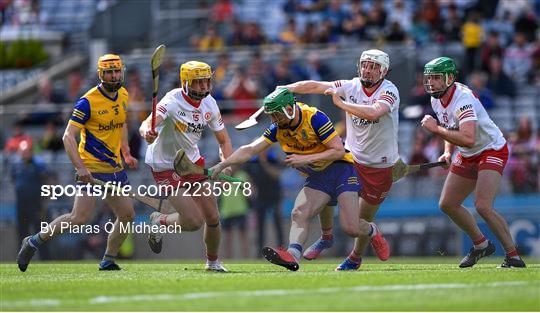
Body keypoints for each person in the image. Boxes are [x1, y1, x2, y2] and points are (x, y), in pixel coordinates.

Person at [210, 88, 389, 271]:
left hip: (341, 170)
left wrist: (305, 159)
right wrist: (221, 165)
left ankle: (372, 230)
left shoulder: (314, 117)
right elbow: (249, 149)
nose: (274, 120)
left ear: (289, 108)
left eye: (277, 115)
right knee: (298, 212)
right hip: (318, 176)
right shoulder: (278, 127)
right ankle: (292, 255)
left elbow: (338, 151)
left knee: (351, 228)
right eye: (272, 116)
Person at [16, 54, 138, 271]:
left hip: (115, 168)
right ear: (101, 74)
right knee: (79, 217)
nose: (113, 75)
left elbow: (121, 124)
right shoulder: (88, 101)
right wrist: (80, 167)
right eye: (109, 72)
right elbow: (67, 136)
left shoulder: (123, 95)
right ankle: (33, 241)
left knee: (127, 215)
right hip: (91, 167)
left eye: (116, 70)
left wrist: (126, 151)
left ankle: (108, 259)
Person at [279, 49, 399, 270]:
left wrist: (341, 104)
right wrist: (287, 88)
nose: (368, 70)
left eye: (374, 67)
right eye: (365, 65)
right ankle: (326, 237)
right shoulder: (351, 85)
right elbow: (316, 85)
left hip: (378, 166)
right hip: (350, 158)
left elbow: (374, 112)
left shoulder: (389, 91)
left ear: (383, 71)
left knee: (358, 223)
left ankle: (356, 256)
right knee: (324, 176)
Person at [421, 56, 526, 268]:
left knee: (483, 206)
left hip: (491, 149)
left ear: (450, 78)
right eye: (429, 77)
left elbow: (467, 137)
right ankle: (481, 245)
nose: (431, 82)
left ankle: (513, 256)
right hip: (468, 153)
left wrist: (434, 129)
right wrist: (447, 151)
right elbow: (450, 128)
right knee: (447, 204)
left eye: (436, 78)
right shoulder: (436, 98)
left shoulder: (463, 99)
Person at [139, 61, 233, 272]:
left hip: (190, 161)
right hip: (164, 164)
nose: (203, 87)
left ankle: (212, 262)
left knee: (212, 216)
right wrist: (147, 132)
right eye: (198, 82)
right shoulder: (172, 100)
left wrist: (227, 163)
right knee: (193, 221)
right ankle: (160, 220)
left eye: (206, 81)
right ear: (186, 82)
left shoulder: (210, 103)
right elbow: (146, 123)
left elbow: (224, 141)